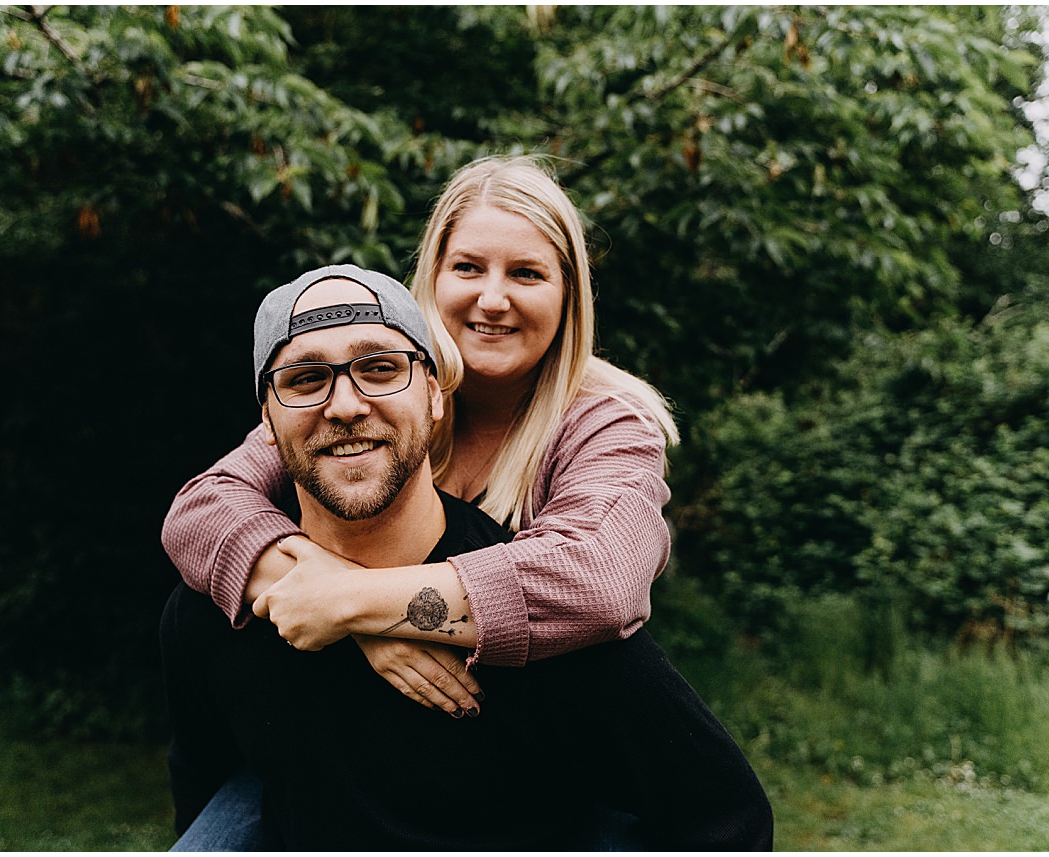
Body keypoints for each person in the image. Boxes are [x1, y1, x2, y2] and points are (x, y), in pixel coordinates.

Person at [160, 265, 773, 850]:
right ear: (264, 422)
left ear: (434, 396)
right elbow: (208, 794)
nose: (344, 405)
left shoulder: (550, 632)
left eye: (379, 370)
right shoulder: (213, 612)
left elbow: (728, 823)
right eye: (304, 380)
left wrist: (351, 602)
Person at [162, 156, 682, 720]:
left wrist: (349, 602)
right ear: (431, 278)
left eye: (526, 274)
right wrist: (356, 614)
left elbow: (600, 581)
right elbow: (201, 510)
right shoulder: (381, 388)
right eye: (468, 267)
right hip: (328, 717)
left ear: (568, 296)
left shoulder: (607, 423)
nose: (492, 299)